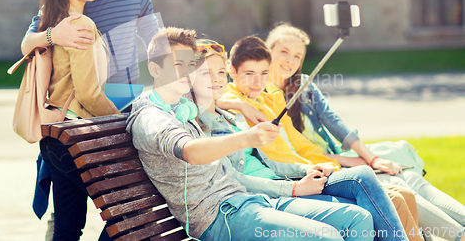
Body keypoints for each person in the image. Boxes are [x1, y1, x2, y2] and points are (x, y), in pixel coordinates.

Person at [126, 27, 375, 241]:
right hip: (219, 213)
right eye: (176, 64)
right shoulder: (152, 117)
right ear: (155, 69)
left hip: (249, 200)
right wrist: (247, 137)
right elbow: (190, 152)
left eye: (189, 65)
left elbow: (213, 94)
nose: (185, 73)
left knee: (358, 218)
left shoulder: (183, 107)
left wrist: (239, 106)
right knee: (327, 235)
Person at [23, 0, 159, 237]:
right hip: (86, 113)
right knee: (124, 212)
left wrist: (187, 79)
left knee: (123, 210)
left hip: (122, 103)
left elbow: (156, 43)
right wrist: (56, 35)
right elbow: (28, 42)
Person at [195, 38, 414, 241]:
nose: (215, 79)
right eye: (206, 73)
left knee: (368, 182)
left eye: (219, 73)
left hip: (288, 176)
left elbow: (284, 152)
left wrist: (308, 168)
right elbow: (220, 99)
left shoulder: (241, 114)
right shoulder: (218, 113)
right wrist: (294, 187)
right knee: (366, 207)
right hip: (266, 195)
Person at [264, 22, 465, 241]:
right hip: (320, 168)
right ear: (268, 51)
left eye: (297, 56)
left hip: (340, 160)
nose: (290, 61)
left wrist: (372, 158)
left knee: (408, 177)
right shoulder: (262, 95)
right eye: (284, 52)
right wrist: (348, 161)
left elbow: (334, 122)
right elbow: (290, 153)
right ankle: (458, 236)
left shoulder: (304, 85)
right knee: (397, 185)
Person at [36, 0, 120, 241]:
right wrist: (124, 122)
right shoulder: (80, 24)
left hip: (56, 139)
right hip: (77, 139)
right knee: (127, 216)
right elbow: (88, 95)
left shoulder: (56, 21)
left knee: (68, 229)